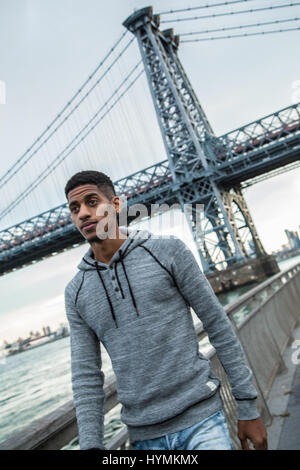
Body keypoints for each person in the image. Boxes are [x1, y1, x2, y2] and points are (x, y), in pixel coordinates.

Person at [64, 170, 268, 451]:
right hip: (143, 437)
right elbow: (86, 376)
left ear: (116, 205)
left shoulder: (167, 252)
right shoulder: (76, 293)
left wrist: (247, 406)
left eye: (91, 201)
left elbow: (218, 325)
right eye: (75, 209)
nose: (83, 214)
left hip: (202, 421)